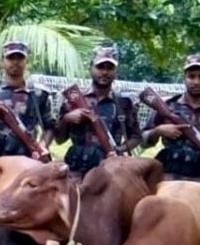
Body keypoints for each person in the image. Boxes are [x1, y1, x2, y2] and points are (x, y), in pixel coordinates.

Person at [0, 40, 56, 194]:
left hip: (25, 160)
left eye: (20, 58)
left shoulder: (39, 94)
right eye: (11, 58)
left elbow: (50, 126)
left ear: (26, 62)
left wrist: (43, 145)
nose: (15, 62)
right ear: (2, 61)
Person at [141, 53, 200, 183]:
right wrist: (158, 130)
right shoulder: (167, 106)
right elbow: (142, 141)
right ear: (184, 78)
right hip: (167, 175)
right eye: (191, 76)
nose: (196, 82)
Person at [55, 44, 142, 178]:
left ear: (116, 71)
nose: (105, 72)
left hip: (109, 168)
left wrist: (120, 149)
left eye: (110, 68)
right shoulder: (73, 101)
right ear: (90, 68)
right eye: (100, 67)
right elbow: (59, 139)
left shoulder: (124, 103)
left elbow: (136, 137)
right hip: (77, 168)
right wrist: (67, 119)